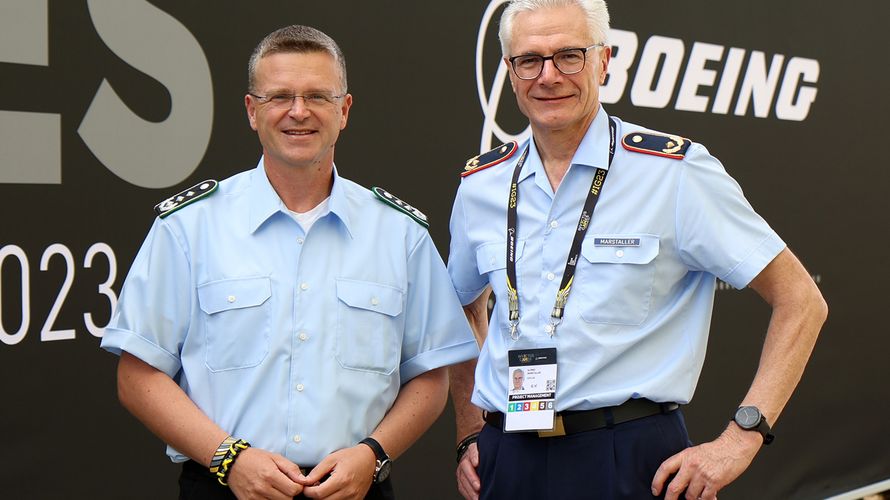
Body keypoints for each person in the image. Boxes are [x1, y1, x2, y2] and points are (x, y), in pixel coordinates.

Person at [447, 1, 827, 499]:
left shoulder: (675, 173)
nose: (548, 76)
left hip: (629, 457)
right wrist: (469, 431)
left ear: (604, 61)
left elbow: (801, 301)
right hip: (506, 457)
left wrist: (741, 439)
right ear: (510, 72)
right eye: (529, 60)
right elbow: (463, 306)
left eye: (569, 56)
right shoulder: (483, 184)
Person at [101, 25, 478, 500]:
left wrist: (374, 453)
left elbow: (430, 376)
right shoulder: (188, 228)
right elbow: (137, 377)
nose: (298, 112)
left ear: (344, 111)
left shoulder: (401, 235)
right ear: (251, 111)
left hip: (357, 489)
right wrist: (228, 458)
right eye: (279, 96)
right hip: (224, 485)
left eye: (317, 96)